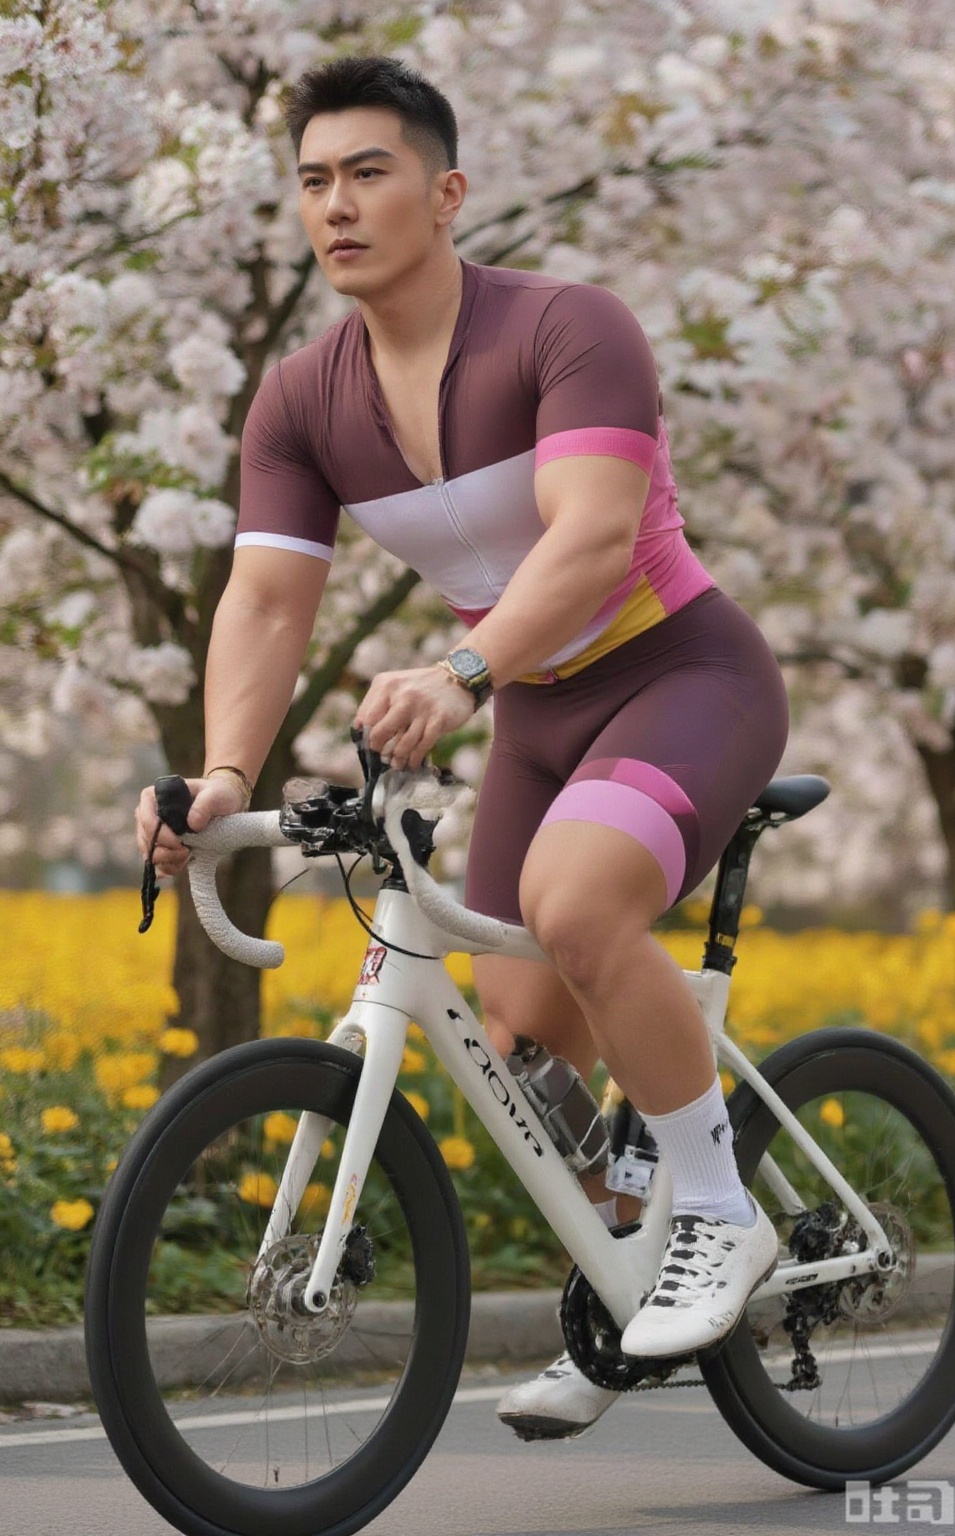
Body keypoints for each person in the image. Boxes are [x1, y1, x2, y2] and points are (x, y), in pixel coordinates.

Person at [136, 55, 789, 1441]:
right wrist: (224, 779)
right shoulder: (302, 400)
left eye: (368, 174)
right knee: (521, 1053)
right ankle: (623, 1295)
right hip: (537, 720)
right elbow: (262, 599)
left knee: (575, 904)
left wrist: (462, 668)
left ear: (446, 194)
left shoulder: (566, 327)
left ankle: (721, 1219)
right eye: (313, 181)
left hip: (680, 674)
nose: (337, 206)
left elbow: (596, 535)